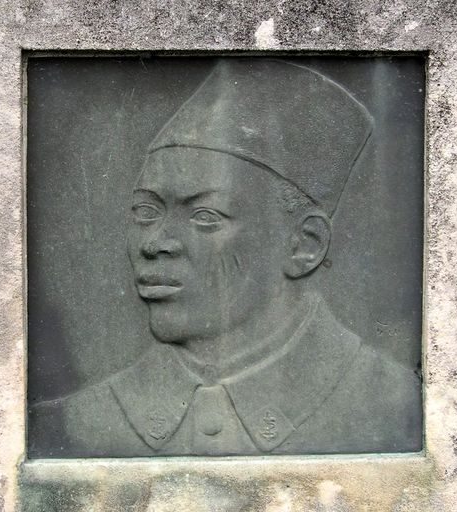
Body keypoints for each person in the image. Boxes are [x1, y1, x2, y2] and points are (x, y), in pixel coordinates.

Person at [29, 59, 422, 457]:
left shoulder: (396, 408)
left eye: (205, 216)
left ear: (305, 244)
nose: (156, 243)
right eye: (146, 212)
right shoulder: (67, 422)